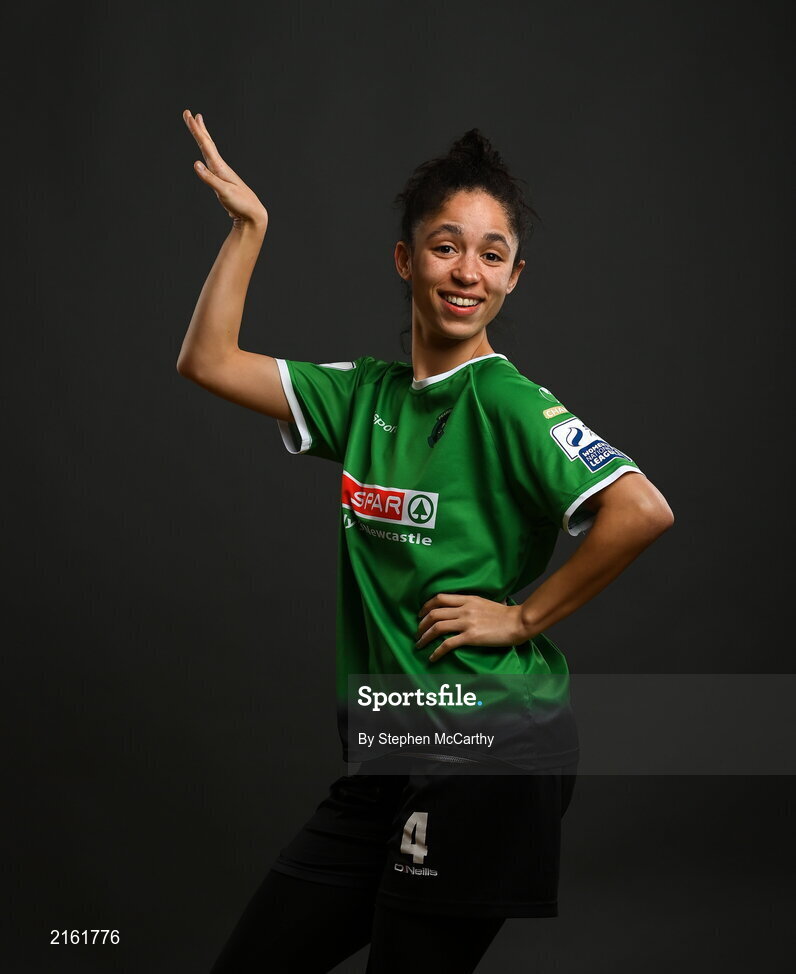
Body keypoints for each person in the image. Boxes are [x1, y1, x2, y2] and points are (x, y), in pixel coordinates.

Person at [177, 110, 674, 974]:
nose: (467, 272)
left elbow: (642, 508)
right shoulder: (365, 396)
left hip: (488, 752)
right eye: (447, 247)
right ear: (407, 260)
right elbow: (209, 360)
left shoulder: (508, 403)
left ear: (515, 277)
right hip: (392, 752)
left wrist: (519, 620)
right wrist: (248, 228)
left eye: (491, 254)